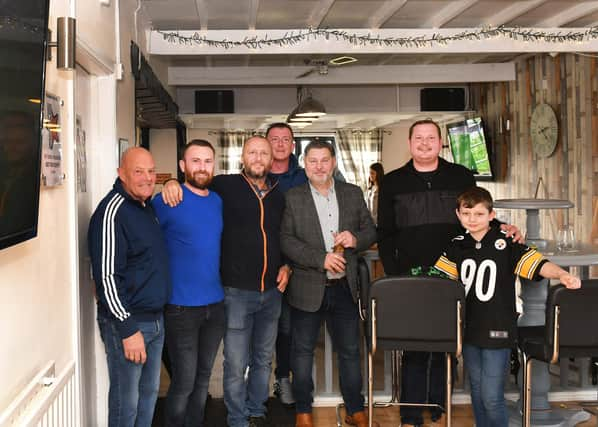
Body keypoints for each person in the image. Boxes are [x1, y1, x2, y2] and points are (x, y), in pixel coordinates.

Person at [377, 119, 522, 427]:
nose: (425, 143)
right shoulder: (392, 182)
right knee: (414, 347)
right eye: (419, 138)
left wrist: (503, 229)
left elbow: (476, 216)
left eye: (431, 138)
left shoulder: (461, 175)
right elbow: (386, 234)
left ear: (441, 142)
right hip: (412, 280)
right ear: (410, 143)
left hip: (457, 280)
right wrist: (394, 275)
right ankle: (411, 412)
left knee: (447, 346)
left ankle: (439, 404)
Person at [162, 136, 290, 427]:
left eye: (264, 153)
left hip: (272, 292)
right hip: (235, 293)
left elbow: (283, 237)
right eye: (252, 153)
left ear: (272, 160)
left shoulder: (280, 195)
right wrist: (170, 182)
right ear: (242, 158)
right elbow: (194, 183)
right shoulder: (224, 186)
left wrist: (287, 266)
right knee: (235, 363)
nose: (258, 158)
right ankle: (237, 418)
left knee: (263, 359)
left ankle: (256, 409)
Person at [433, 186, 581, 427]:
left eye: (479, 214)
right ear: (458, 215)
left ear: (491, 215)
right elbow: (441, 284)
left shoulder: (506, 242)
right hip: (468, 327)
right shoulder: (456, 245)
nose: (472, 219)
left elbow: (538, 263)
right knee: (478, 395)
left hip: (497, 326)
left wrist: (563, 275)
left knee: (492, 397)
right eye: (467, 214)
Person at [280, 141, 377, 427]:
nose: (320, 166)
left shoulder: (352, 193)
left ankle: (356, 409)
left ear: (334, 163)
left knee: (350, 351)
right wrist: (320, 259)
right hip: (306, 288)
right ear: (305, 165)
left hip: (345, 288)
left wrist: (355, 240)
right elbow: (286, 240)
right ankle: (303, 411)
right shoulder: (293, 197)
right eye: (313, 161)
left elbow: (371, 230)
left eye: (325, 160)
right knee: (302, 352)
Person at [88, 147, 171, 427]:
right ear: (121, 174)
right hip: (130, 324)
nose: (147, 178)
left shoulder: (145, 207)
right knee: (127, 404)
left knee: (148, 396)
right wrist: (128, 329)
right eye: (138, 171)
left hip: (155, 321)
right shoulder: (112, 212)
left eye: (151, 171)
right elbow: (108, 278)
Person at [152, 140, 226, 427]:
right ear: (183, 166)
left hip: (215, 305)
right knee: (184, 380)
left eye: (207, 161)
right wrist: (169, 183)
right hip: (181, 307)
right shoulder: (167, 200)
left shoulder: (217, 201)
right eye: (195, 161)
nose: (202, 167)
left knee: (203, 378)